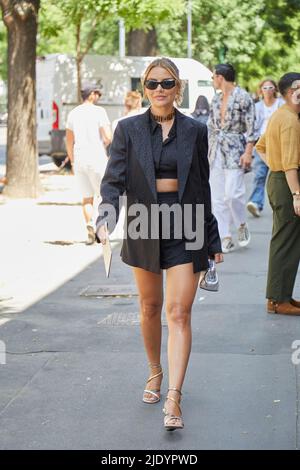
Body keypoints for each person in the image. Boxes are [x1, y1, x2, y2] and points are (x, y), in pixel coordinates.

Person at [96, 57, 223, 431]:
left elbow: (202, 184)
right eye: (151, 84)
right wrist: (105, 217)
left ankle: (174, 396)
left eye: (166, 83)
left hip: (188, 225)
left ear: (177, 87)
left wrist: (212, 236)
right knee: (150, 307)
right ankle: (155, 372)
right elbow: (113, 180)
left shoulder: (195, 130)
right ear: (145, 87)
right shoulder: (128, 129)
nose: (159, 90)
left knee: (178, 312)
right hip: (143, 223)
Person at [256, 72, 300, 316]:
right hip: (287, 183)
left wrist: (275, 163)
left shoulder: (280, 114)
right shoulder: (290, 120)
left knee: (287, 241)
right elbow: (291, 164)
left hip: (280, 179)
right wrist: (296, 194)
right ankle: (277, 300)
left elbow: (261, 147)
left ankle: (281, 296)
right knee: (285, 242)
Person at [207, 63, 255, 253]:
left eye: (213, 77)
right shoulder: (216, 99)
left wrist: (249, 151)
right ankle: (225, 236)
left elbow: (252, 125)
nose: (213, 80)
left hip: (235, 149)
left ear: (220, 77)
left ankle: (241, 223)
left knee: (232, 194)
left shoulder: (243, 97)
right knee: (217, 197)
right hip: (216, 150)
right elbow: (211, 125)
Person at [66, 84, 112, 245]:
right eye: (97, 93)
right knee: (104, 195)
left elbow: (69, 141)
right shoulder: (99, 112)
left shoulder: (73, 113)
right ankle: (102, 229)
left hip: (79, 158)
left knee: (87, 198)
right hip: (97, 157)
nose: (98, 96)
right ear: (91, 95)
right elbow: (108, 137)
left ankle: (89, 226)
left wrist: (72, 161)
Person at [247, 79, 284, 217]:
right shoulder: (257, 107)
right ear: (260, 90)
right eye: (265, 87)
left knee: (280, 176)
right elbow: (252, 127)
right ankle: (256, 203)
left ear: (275, 89)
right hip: (262, 145)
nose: (267, 90)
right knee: (259, 175)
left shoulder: (282, 105)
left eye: (270, 87)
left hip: (279, 145)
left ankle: (282, 204)